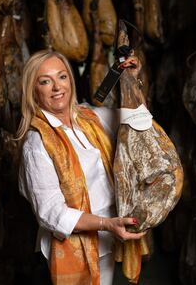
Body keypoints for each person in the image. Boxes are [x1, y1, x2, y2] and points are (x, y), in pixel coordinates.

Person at [17, 49, 147, 285]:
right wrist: (106, 224)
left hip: (107, 235)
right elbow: (51, 214)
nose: (57, 87)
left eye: (62, 76)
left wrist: (131, 79)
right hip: (75, 241)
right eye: (45, 81)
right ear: (33, 91)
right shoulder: (36, 144)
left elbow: (137, 118)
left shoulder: (90, 117)